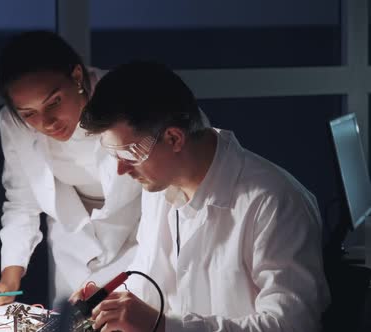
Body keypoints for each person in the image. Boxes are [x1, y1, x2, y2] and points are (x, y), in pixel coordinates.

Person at [73, 61, 330, 331]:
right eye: (113, 154)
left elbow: (292, 324)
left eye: (128, 154)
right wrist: (110, 303)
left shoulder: (274, 202)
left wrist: (162, 326)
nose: (121, 169)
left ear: (174, 138)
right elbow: (151, 278)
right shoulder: (159, 186)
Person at [0, 31, 143, 310]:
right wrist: (8, 282)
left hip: (140, 232)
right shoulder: (12, 123)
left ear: (78, 77)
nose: (47, 123)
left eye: (54, 102)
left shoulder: (127, 98)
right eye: (29, 113)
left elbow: (168, 191)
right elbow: (22, 202)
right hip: (76, 244)